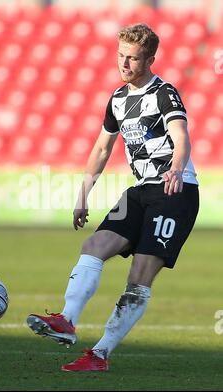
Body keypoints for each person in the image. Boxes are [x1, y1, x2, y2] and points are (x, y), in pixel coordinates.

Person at [27, 23, 199, 371]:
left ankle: (100, 354)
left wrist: (177, 168)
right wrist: (83, 195)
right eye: (121, 55)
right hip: (139, 192)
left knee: (138, 276)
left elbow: (181, 136)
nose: (125, 64)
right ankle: (66, 320)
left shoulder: (164, 93)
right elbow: (102, 148)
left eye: (133, 58)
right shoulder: (118, 99)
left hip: (174, 193)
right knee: (94, 246)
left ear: (150, 58)